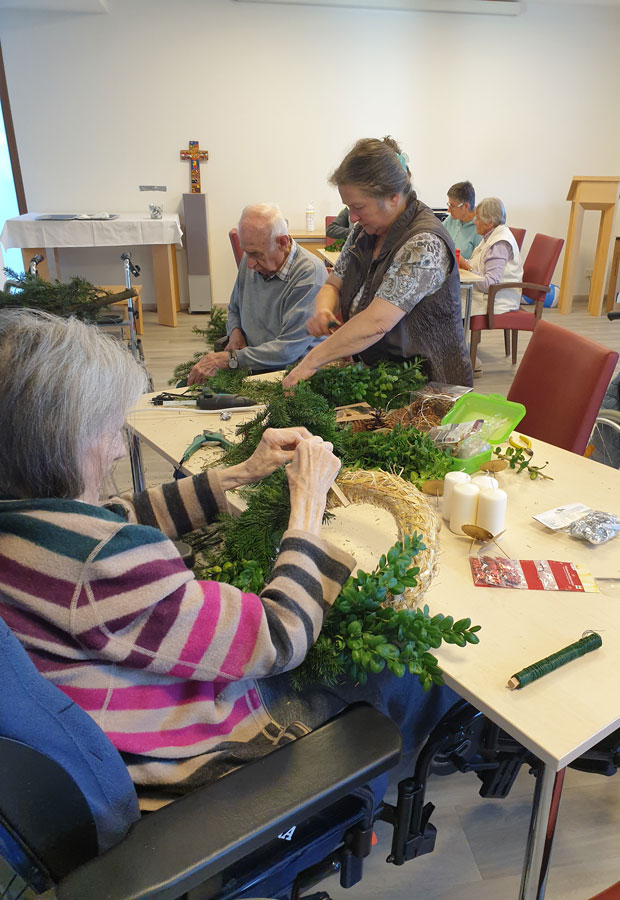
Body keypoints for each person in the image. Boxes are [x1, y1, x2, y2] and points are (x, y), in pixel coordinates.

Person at [0, 309, 459, 804]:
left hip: (112, 723)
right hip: (183, 752)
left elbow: (114, 514)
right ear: (62, 444)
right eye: (110, 431)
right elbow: (281, 637)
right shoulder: (103, 567)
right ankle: (415, 766)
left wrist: (241, 472)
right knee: (403, 667)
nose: (117, 450)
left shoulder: (28, 528)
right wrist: (307, 507)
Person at [282, 137, 473, 390]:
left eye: (359, 206)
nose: (352, 217)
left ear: (393, 196)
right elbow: (333, 285)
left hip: (428, 390)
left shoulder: (424, 243)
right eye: (349, 207)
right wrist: (323, 310)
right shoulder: (364, 231)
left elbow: (377, 322)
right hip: (382, 383)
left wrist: (312, 361)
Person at [187, 204, 327, 385]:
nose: (250, 264)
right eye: (246, 252)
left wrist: (229, 359)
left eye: (256, 255)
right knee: (188, 388)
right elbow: (234, 308)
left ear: (283, 242)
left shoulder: (309, 274)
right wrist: (235, 332)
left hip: (291, 374)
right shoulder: (251, 259)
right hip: (253, 363)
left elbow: (286, 351)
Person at [457, 197, 524, 317]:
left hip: (496, 300)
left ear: (490, 222)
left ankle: (455, 336)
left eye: (478, 218)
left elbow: (490, 285)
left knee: (446, 306)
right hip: (485, 295)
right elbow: (480, 264)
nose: (474, 222)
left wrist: (467, 267)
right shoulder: (490, 236)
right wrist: (463, 263)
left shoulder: (499, 244)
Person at [442, 181, 482, 260]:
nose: (449, 210)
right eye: (449, 205)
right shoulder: (452, 219)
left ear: (466, 206)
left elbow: (477, 263)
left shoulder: (481, 226)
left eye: (452, 206)